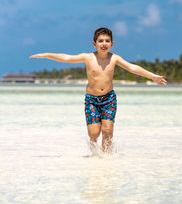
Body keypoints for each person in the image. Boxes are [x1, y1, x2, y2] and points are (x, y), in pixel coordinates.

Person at [29, 27, 167, 153]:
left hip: (109, 99)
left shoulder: (114, 58)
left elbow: (132, 67)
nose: (104, 43)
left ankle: (107, 158)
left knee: (107, 130)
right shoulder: (88, 57)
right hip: (92, 101)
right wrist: (46, 54)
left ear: (112, 44)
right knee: (93, 134)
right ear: (94, 43)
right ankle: (95, 159)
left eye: (107, 41)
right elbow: (67, 58)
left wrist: (152, 76)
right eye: (100, 41)